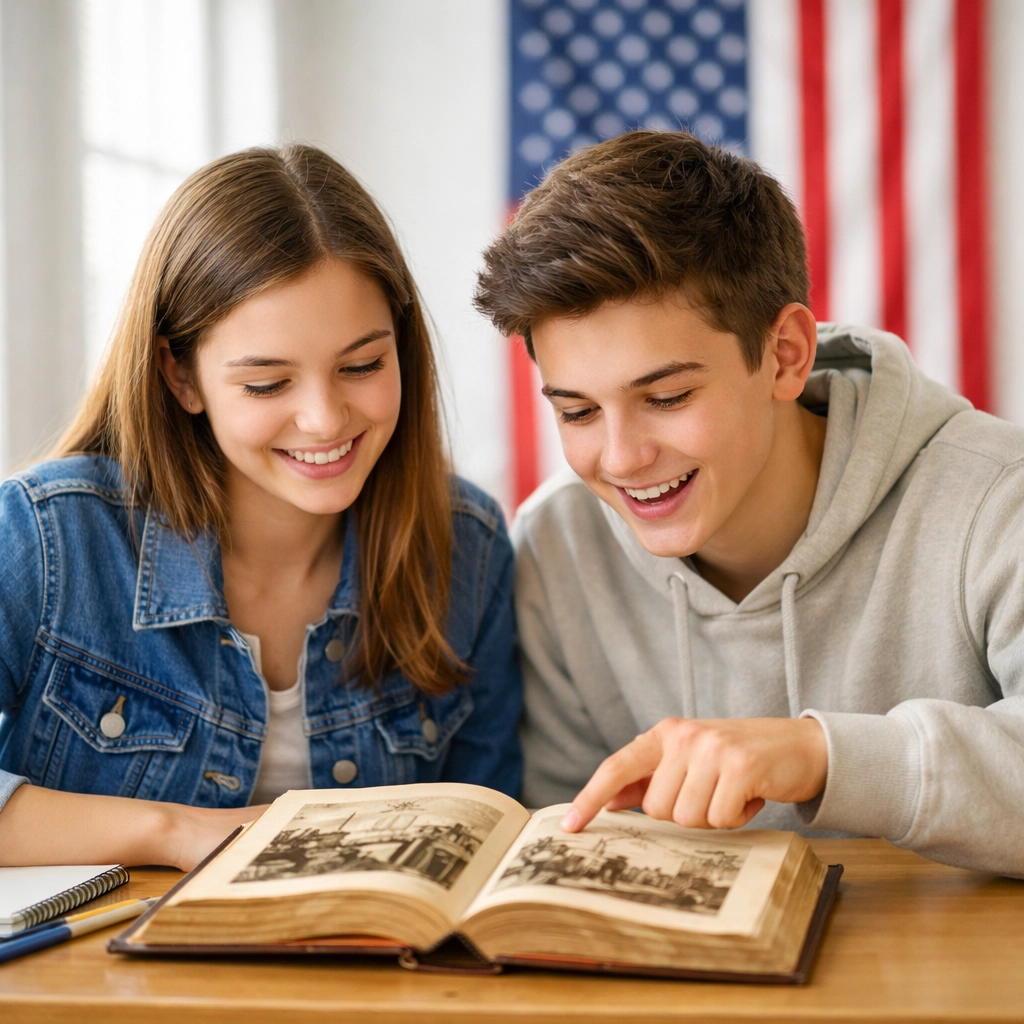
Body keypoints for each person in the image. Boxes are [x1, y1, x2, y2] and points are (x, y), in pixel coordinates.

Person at [474, 130, 1024, 877]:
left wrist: (823, 756)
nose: (622, 458)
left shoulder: (998, 496)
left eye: (667, 397)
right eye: (577, 412)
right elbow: (569, 837)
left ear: (786, 354)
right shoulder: (560, 542)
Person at [0, 145, 521, 871]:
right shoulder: (45, 537)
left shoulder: (468, 545)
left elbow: (495, 834)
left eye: (363, 365)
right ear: (181, 376)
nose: (324, 419)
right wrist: (174, 832)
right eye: (268, 384)